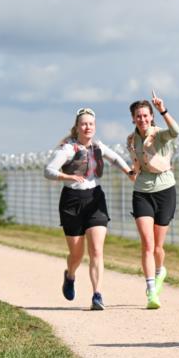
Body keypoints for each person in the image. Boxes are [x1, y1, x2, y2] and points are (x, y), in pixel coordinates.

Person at [44, 107, 135, 310]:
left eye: (91, 124)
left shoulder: (97, 146)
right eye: (84, 124)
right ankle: (70, 275)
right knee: (77, 254)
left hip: (95, 199)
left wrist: (129, 171)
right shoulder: (68, 149)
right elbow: (48, 171)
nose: (88, 127)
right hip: (72, 201)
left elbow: (115, 158)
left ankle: (97, 295)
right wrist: (67, 177)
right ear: (77, 127)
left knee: (96, 250)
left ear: (95, 127)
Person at [127, 91, 179, 310]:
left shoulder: (159, 135)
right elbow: (136, 164)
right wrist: (132, 171)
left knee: (158, 247)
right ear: (133, 118)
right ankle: (151, 290)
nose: (142, 119)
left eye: (145, 115)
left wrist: (163, 110)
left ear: (151, 116)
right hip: (141, 192)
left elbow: (176, 131)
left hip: (165, 190)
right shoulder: (131, 140)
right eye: (138, 116)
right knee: (147, 244)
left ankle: (160, 272)